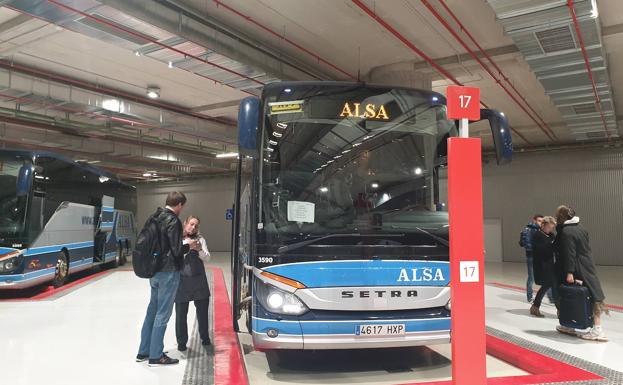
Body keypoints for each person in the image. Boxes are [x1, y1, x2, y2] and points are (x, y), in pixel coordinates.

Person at [136, 192, 197, 366]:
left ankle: (144, 351)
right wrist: (189, 245)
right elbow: (177, 250)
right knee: (163, 313)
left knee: (152, 312)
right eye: (182, 206)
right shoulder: (173, 220)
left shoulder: (154, 217)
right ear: (178, 205)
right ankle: (156, 356)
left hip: (153, 271)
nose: (181, 209)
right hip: (168, 273)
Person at [555, 205, 608, 342]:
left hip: (577, 267)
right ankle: (569, 324)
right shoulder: (581, 228)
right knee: (594, 294)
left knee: (572, 295)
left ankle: (597, 330)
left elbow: (570, 253)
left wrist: (569, 272)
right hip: (588, 264)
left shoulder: (567, 232)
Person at [175, 216, 212, 351]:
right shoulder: (177, 240)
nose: (193, 227)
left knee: (202, 312)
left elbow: (207, 258)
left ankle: (205, 338)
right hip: (182, 281)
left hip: (199, 281)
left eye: (196, 226)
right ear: (185, 224)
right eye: (191, 224)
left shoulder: (200, 240)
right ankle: (181, 342)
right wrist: (187, 247)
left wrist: (199, 250)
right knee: (180, 314)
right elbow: (174, 258)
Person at [530, 216, 557, 317]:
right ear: (543, 225)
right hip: (542, 265)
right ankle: (536, 307)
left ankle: (535, 307)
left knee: (549, 285)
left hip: (550, 264)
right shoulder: (537, 236)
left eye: (552, 228)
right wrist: (552, 246)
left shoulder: (551, 235)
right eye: (549, 227)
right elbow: (542, 251)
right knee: (549, 285)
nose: (550, 230)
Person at [520, 214, 544, 302]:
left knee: (545, 276)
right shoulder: (530, 230)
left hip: (538, 256)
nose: (540, 223)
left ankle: (551, 298)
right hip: (532, 256)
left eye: (542, 221)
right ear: (534, 220)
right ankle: (529, 296)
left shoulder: (539, 230)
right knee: (531, 277)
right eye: (539, 221)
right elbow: (526, 244)